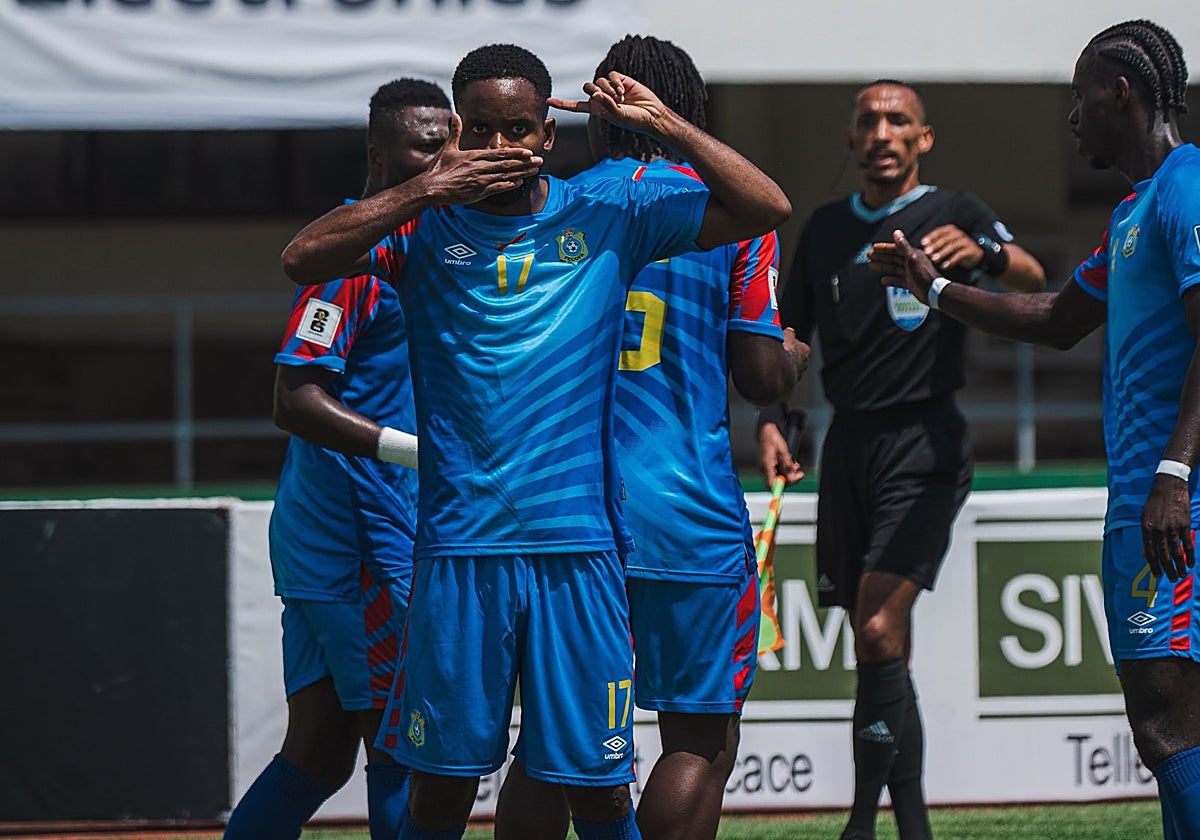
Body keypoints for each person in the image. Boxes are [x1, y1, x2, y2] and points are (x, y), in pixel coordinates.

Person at [280, 42, 791, 840]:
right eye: (478, 131)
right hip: (458, 555)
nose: (497, 149)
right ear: (455, 132)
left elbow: (766, 208)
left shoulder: (608, 215)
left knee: (592, 788)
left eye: (517, 129)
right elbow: (301, 256)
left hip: (580, 556)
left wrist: (667, 126)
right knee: (443, 792)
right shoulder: (422, 229)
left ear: (547, 136)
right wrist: (426, 185)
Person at [871, 19, 1200, 839]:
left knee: (1166, 722)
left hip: (1171, 502)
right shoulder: (1137, 210)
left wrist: (1175, 473)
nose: (1072, 116)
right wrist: (935, 286)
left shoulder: (1187, 184)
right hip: (1152, 498)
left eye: (1079, 96)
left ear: (1119, 91)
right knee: (1173, 726)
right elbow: (1057, 316)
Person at [491, 34, 810, 840]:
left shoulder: (554, 203)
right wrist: (794, 356)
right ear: (683, 112)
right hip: (686, 514)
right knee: (699, 738)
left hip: (567, 513)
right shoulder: (723, 209)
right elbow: (760, 375)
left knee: (551, 745)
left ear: (598, 118)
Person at [757, 80, 1046, 839]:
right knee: (880, 647)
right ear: (851, 142)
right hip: (847, 446)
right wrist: (774, 418)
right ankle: (912, 826)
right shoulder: (819, 229)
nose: (882, 132)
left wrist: (983, 252)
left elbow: (1034, 277)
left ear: (925, 138)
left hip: (925, 441)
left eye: (898, 121)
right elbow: (791, 339)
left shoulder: (956, 213)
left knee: (879, 631)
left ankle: (859, 822)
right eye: (868, 122)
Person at [223, 78, 450, 840]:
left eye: (451, 140)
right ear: (380, 154)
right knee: (404, 750)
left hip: (334, 542)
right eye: (428, 144)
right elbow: (294, 399)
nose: (445, 156)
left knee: (318, 755)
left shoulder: (411, 240)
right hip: (360, 544)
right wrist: (415, 453)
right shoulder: (353, 255)